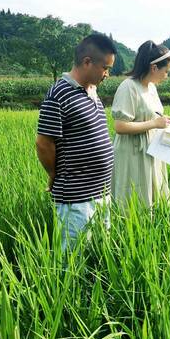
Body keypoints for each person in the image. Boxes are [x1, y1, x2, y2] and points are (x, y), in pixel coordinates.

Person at [35, 34, 116, 252]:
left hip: (101, 192)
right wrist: (54, 174)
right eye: (105, 68)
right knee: (73, 261)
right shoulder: (58, 94)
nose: (107, 74)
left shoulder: (91, 91)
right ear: (87, 62)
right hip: (76, 197)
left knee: (99, 255)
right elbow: (43, 143)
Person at [111, 40, 170, 208]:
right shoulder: (129, 87)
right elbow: (120, 126)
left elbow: (153, 116)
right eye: (166, 71)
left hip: (151, 149)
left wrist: (164, 122)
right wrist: (154, 123)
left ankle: (149, 231)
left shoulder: (151, 87)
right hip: (132, 152)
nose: (167, 76)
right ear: (154, 68)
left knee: (153, 192)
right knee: (134, 197)